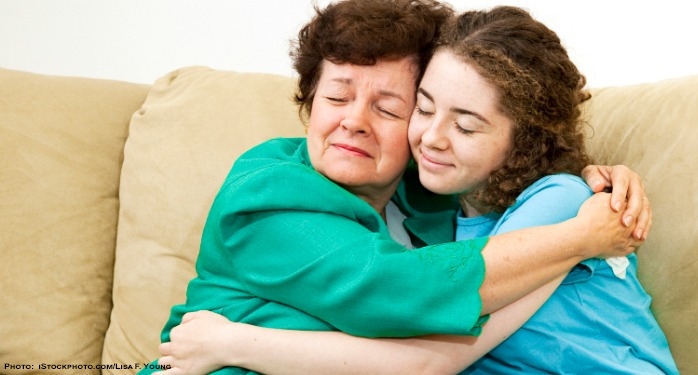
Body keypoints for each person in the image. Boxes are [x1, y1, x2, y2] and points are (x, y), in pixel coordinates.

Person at [146, 1, 653, 374]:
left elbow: (511, 169)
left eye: (390, 109)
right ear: (308, 101)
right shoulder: (265, 193)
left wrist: (592, 177)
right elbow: (404, 290)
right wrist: (582, 236)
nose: (354, 123)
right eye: (336, 97)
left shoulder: (430, 190)